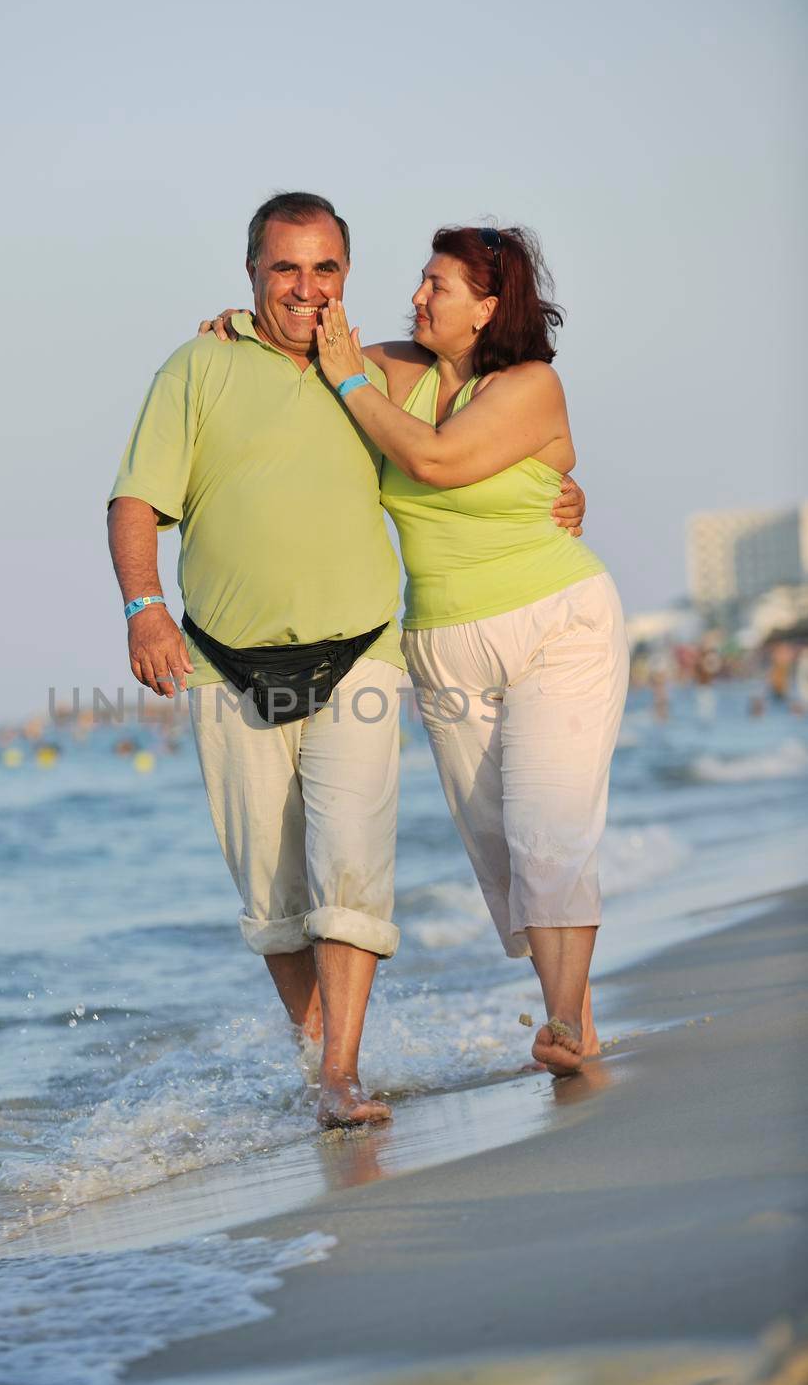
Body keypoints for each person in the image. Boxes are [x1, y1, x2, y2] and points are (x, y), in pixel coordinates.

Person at [110, 196, 585, 1123]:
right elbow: (135, 502)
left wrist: (560, 484)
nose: (304, 288)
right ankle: (319, 1050)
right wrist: (143, 609)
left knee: (352, 869)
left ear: (344, 278)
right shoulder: (196, 365)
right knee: (273, 898)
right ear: (251, 272)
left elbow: (481, 419)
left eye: (323, 270)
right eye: (286, 268)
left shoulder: (372, 370)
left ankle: (340, 1075)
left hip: (361, 657)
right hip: (221, 663)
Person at [310, 226, 629, 1075]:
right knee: (499, 850)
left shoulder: (529, 383)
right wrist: (231, 327)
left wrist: (347, 378)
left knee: (548, 829)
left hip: (556, 623)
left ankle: (559, 1025)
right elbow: (301, 346)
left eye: (436, 286)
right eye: (420, 281)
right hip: (444, 644)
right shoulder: (404, 375)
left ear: (488, 309)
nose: (416, 297)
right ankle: (578, 1022)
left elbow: (439, 461)